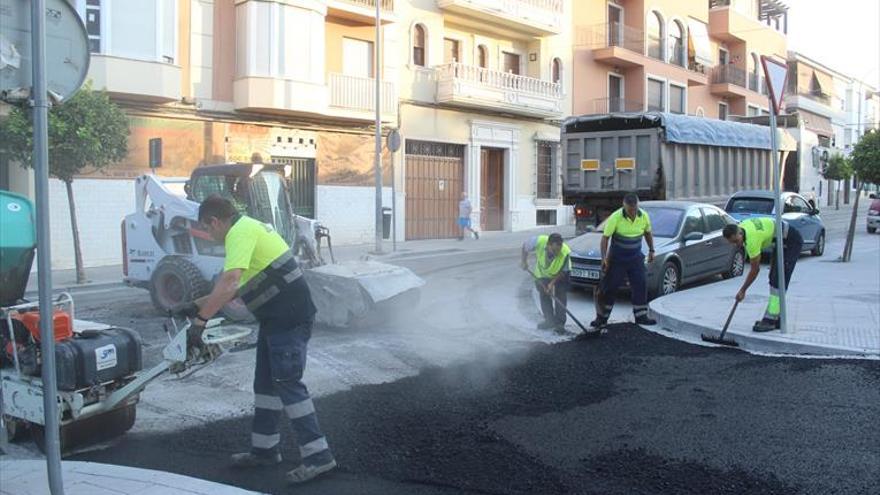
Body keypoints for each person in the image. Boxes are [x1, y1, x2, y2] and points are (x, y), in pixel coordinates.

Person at [172, 196, 336, 484]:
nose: (210, 237)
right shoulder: (248, 228)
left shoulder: (239, 233)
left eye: (208, 230)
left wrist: (200, 322)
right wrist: (195, 305)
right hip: (277, 319)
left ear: (215, 221)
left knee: (288, 385)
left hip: (289, 318)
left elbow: (231, 280)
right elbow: (238, 285)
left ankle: (319, 457)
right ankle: (264, 451)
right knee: (265, 384)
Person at [722, 217, 802, 332]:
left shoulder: (751, 240)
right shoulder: (742, 226)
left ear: (739, 232)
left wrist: (743, 290)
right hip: (780, 240)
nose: (736, 245)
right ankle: (778, 317)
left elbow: (755, 270)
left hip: (791, 241)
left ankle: (770, 320)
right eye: (732, 243)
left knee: (778, 282)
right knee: (773, 277)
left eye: (736, 241)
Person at [592, 193, 657, 328]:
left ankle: (641, 317)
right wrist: (604, 258)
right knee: (610, 287)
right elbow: (605, 238)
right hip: (617, 259)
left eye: (635, 209)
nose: (632, 212)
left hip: (635, 257)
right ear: (624, 206)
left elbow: (647, 233)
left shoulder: (643, 215)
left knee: (640, 284)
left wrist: (651, 250)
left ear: (638, 206)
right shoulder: (615, 217)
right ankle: (601, 318)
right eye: (630, 210)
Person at [521, 233, 571, 332]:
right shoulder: (539, 241)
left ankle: (560, 323)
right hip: (542, 274)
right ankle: (549, 321)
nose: (557, 253)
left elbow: (563, 272)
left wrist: (551, 284)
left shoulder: (565, 252)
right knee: (544, 295)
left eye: (558, 250)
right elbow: (525, 246)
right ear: (548, 245)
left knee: (560, 296)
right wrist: (524, 261)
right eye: (554, 250)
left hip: (561, 275)